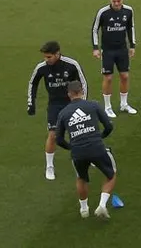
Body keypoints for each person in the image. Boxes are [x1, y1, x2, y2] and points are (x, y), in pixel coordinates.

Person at [27, 41, 89, 181]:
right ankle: (49, 166)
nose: (46, 60)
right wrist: (31, 103)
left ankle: (87, 158)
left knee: (81, 131)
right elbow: (33, 83)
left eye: (49, 57)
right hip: (54, 105)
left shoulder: (71, 64)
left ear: (57, 54)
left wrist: (82, 103)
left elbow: (83, 83)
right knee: (53, 135)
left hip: (72, 103)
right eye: (45, 57)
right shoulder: (41, 67)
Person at [55, 81, 117, 219]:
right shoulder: (93, 105)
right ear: (82, 91)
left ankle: (84, 209)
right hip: (96, 147)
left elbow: (58, 139)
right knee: (111, 175)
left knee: (81, 178)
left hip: (78, 152)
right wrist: (99, 137)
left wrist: (71, 146)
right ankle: (102, 205)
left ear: (69, 94)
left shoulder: (63, 113)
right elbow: (108, 126)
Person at [92, 0, 138, 118]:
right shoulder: (103, 12)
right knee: (108, 77)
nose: (117, 4)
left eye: (119, 1)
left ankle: (124, 104)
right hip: (107, 50)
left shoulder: (128, 11)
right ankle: (107, 107)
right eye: (114, 1)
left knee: (125, 76)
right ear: (110, 0)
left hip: (122, 49)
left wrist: (132, 45)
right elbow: (95, 29)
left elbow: (131, 27)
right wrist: (95, 47)